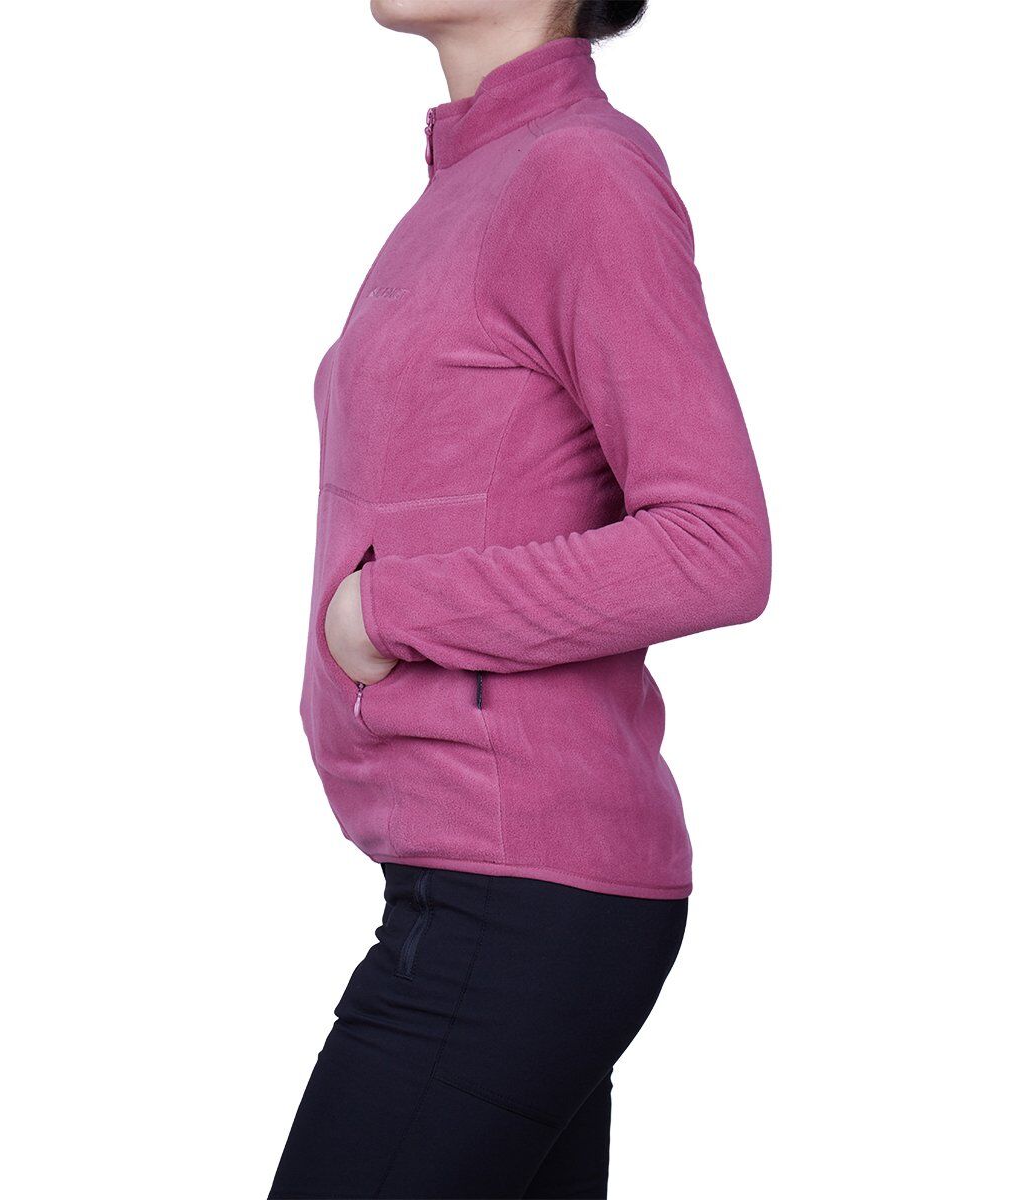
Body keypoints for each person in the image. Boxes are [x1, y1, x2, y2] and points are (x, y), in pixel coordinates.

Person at [271, 1, 771, 1195]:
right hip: (469, 882)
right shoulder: (470, 184)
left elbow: (717, 544)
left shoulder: (583, 173)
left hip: (517, 896)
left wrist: (387, 613)